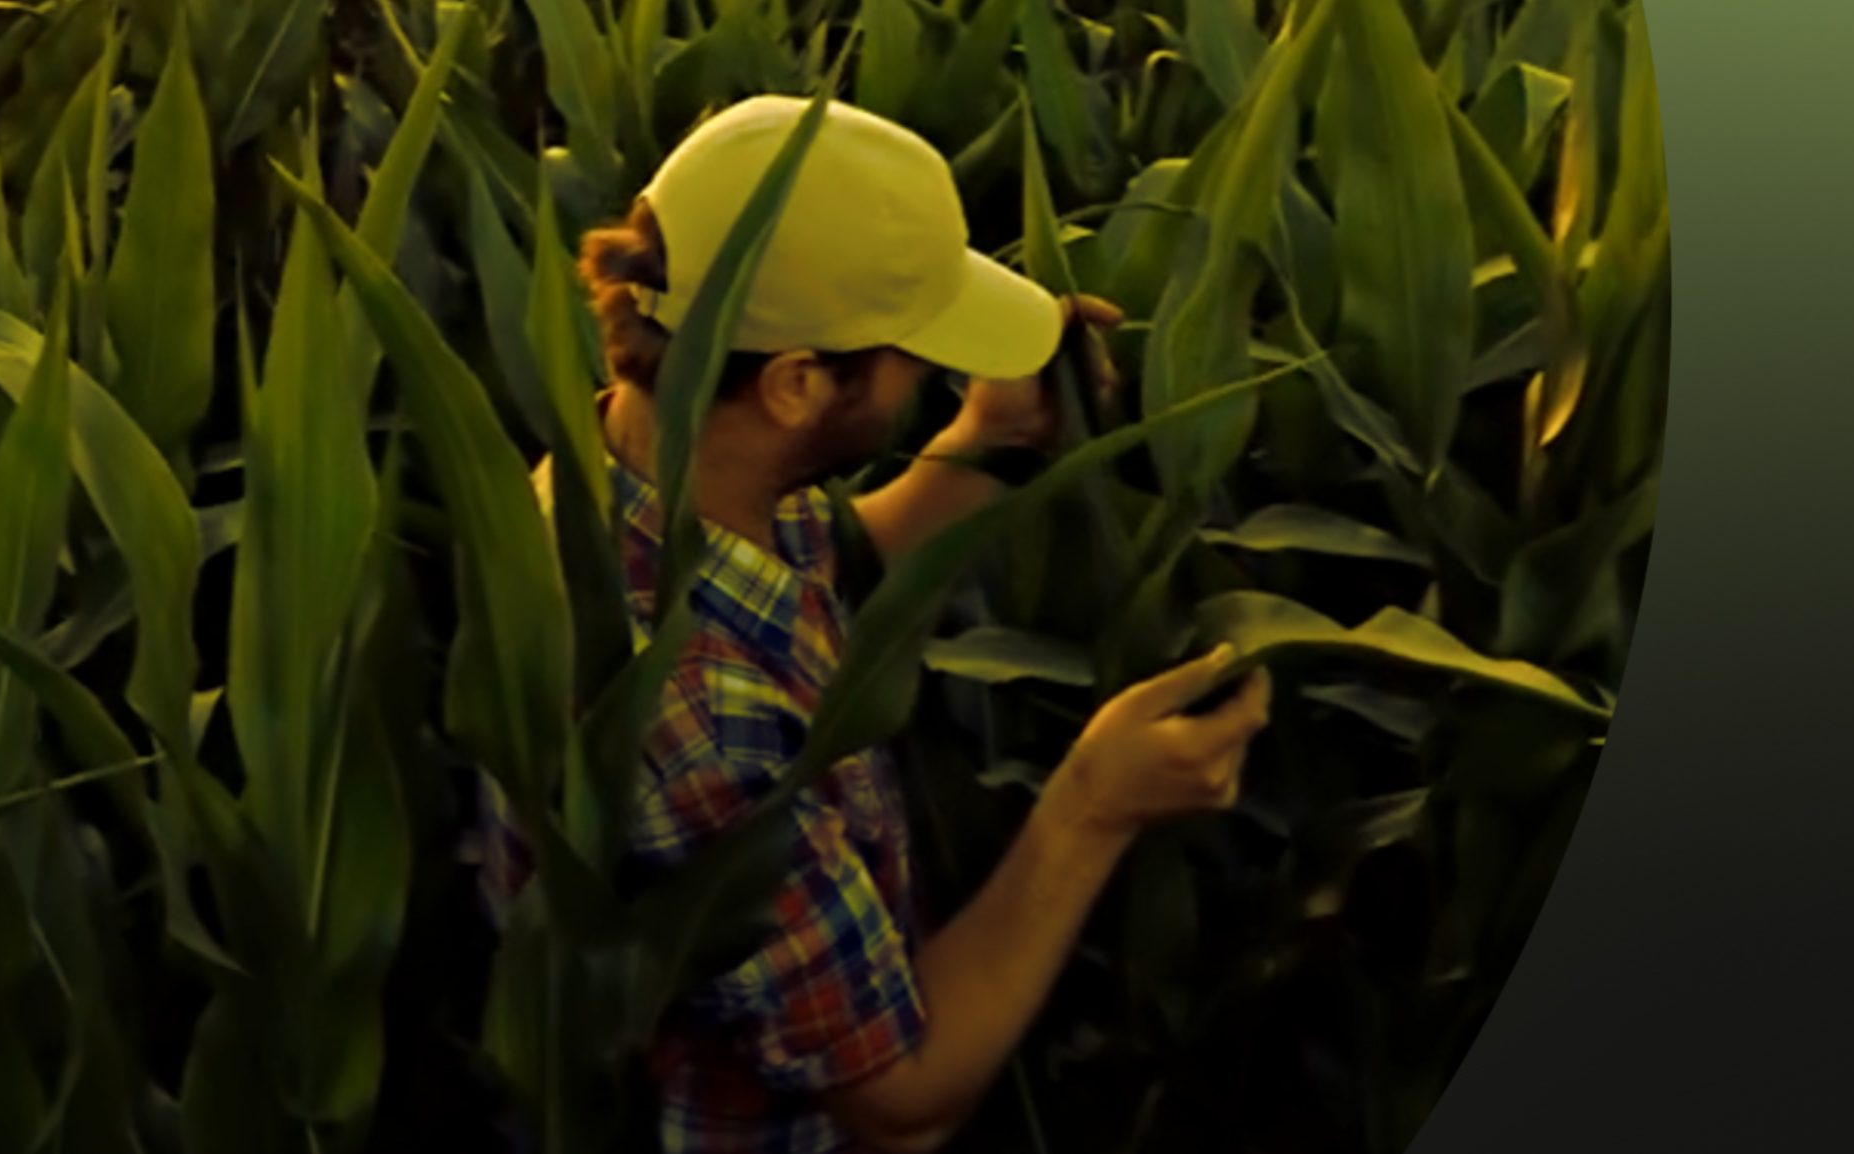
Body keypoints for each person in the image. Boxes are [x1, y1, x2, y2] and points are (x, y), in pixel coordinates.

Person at [466, 95, 1275, 1154]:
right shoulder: (692, 714)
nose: (931, 373)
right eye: (912, 351)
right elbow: (899, 1103)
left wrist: (987, 441)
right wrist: (1093, 806)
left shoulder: (627, 468)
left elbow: (822, 564)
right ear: (797, 383)